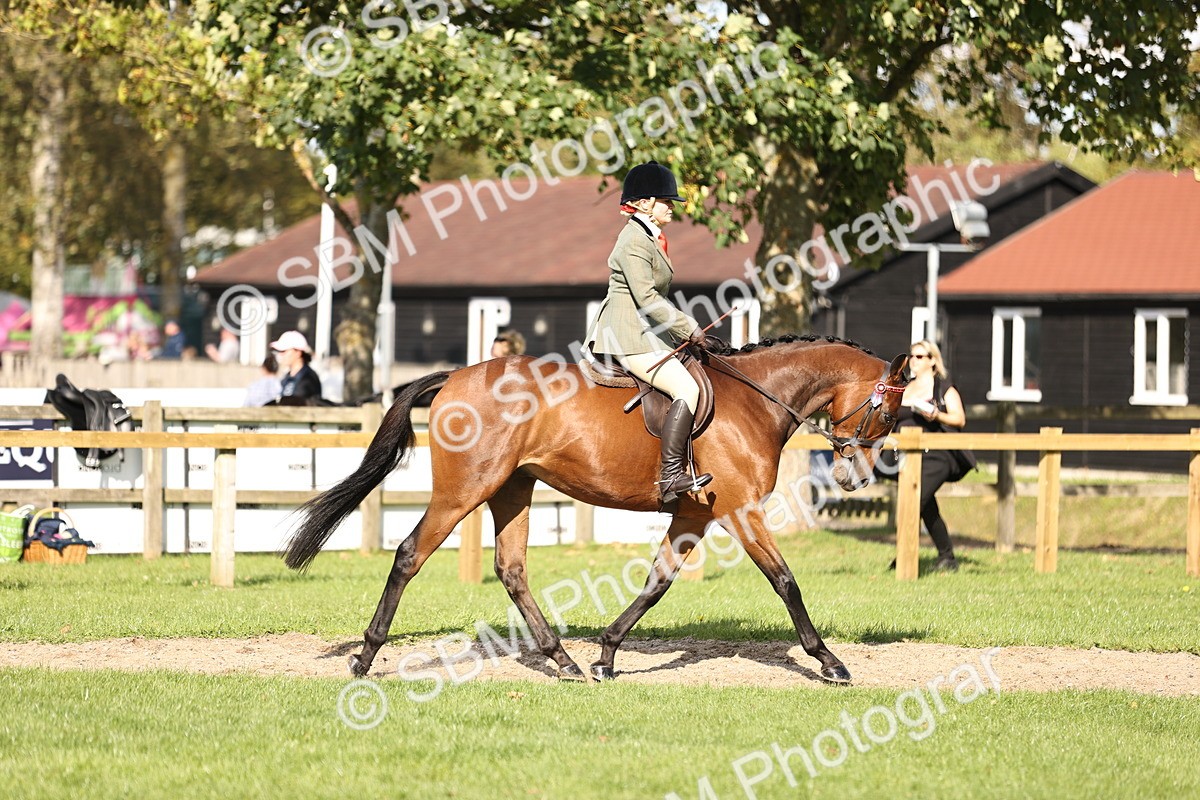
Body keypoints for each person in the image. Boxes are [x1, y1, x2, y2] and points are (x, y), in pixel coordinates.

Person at [585, 160, 712, 505]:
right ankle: (671, 476)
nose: (671, 207)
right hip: (628, 335)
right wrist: (690, 327)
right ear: (644, 204)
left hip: (648, 333)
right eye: (665, 201)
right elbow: (646, 298)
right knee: (685, 387)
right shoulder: (634, 241)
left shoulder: (648, 237)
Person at [893, 339, 969, 572]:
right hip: (909, 455)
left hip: (939, 454)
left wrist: (937, 415)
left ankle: (905, 557)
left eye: (919, 356)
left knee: (916, 498)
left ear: (933, 361)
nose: (913, 361)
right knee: (924, 502)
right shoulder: (904, 387)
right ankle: (947, 557)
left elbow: (959, 419)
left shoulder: (943, 387)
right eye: (912, 356)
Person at [270, 330, 322, 403]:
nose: (280, 355)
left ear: (298, 353)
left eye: (284, 351)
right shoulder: (286, 378)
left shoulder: (308, 378)